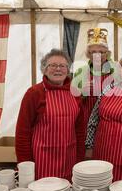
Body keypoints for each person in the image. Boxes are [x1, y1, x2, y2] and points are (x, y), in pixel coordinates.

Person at [15, 49, 81, 181]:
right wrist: (26, 165)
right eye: (53, 65)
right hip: (42, 162)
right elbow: (23, 132)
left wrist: (79, 160)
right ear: (44, 70)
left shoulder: (75, 93)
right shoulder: (34, 93)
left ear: (68, 71)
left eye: (62, 66)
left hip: (69, 159)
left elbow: (80, 130)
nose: (58, 69)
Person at [71, 28, 120, 162]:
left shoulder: (117, 70)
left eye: (101, 52)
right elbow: (71, 100)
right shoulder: (81, 71)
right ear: (88, 54)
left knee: (107, 157)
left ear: (107, 53)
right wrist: (81, 94)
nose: (97, 55)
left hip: (109, 123)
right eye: (93, 52)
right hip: (86, 123)